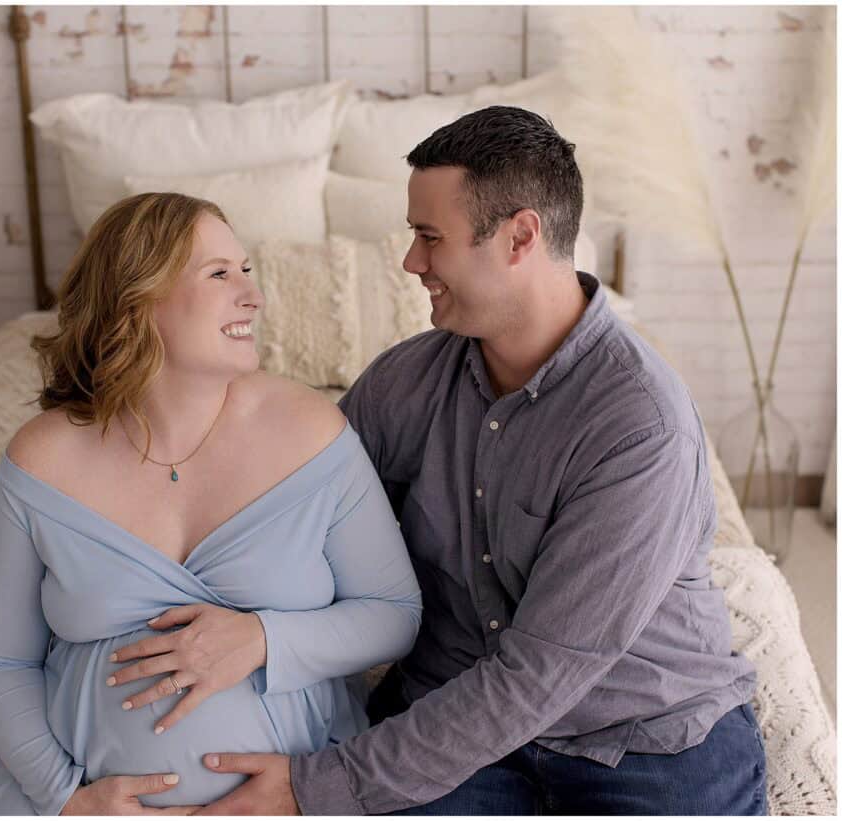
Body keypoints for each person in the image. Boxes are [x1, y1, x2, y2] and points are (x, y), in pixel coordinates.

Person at [180, 106, 767, 815]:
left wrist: (317, 787)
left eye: (430, 237)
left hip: (646, 734)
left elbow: (539, 673)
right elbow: (289, 518)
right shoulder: (407, 382)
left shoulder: (639, 426)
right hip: (449, 709)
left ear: (521, 235)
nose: (411, 262)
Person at [0, 192, 422, 814]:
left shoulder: (309, 432)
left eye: (247, 272)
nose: (253, 297)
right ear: (139, 297)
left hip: (289, 796)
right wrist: (68, 798)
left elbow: (394, 612)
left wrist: (263, 639)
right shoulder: (42, 460)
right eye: (220, 274)